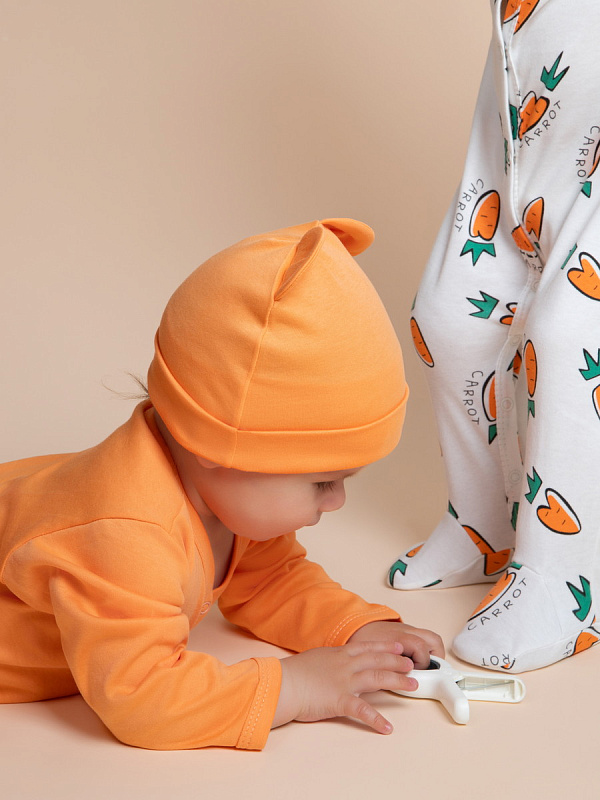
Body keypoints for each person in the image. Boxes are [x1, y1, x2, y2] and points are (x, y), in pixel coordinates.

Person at [0, 217, 443, 750]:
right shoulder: (127, 534)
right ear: (214, 446)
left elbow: (271, 580)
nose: (338, 501)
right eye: (324, 482)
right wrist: (296, 687)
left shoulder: (227, 496)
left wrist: (357, 629)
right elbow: (141, 697)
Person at [389, 0, 600, 673]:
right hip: (523, 95)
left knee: (568, 339)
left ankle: (567, 578)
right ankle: (483, 525)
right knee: (448, 317)